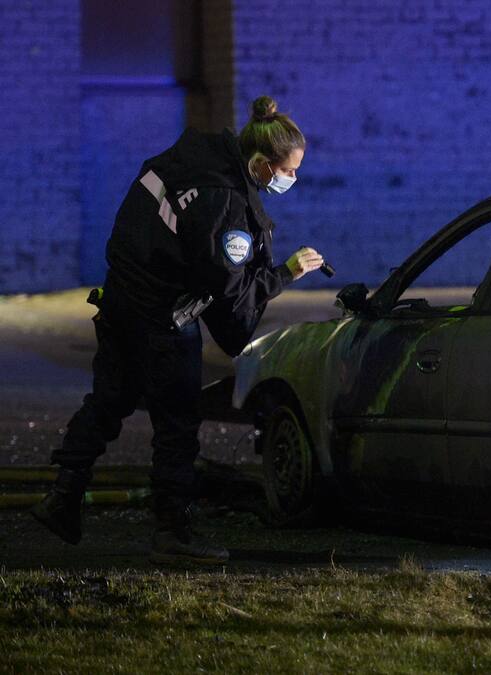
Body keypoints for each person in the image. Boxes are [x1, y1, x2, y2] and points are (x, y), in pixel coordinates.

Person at [32, 95, 326, 564]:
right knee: (178, 425)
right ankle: (173, 532)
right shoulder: (225, 202)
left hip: (121, 305)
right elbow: (229, 289)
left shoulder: (187, 162)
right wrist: (286, 273)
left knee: (108, 403)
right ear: (261, 163)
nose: (291, 178)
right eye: (288, 170)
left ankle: (62, 497)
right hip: (165, 320)